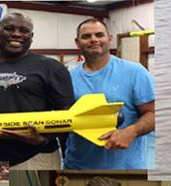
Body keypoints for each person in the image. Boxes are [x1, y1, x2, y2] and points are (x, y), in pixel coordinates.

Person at [0, 13, 74, 167]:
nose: (16, 34)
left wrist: (44, 139)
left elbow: (67, 112)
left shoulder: (50, 67)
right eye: (9, 29)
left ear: (31, 36)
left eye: (23, 31)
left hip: (34, 156)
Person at [64, 18, 155, 169]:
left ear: (109, 38)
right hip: (77, 165)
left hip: (126, 167)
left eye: (99, 35)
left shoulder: (135, 72)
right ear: (77, 42)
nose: (94, 40)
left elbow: (153, 113)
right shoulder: (67, 77)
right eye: (86, 37)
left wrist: (131, 131)